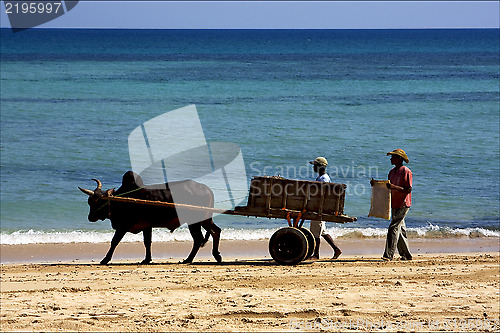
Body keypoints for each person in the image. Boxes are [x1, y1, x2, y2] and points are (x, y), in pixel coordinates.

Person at [376, 149, 413, 261]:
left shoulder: (406, 171)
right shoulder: (391, 172)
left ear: (399, 159)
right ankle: (406, 255)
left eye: (393, 157)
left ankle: (388, 255)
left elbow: (408, 189)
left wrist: (394, 187)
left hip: (403, 204)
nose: (391, 159)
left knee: (393, 227)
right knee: (400, 229)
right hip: (394, 203)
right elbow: (388, 186)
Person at [309, 157, 342, 260]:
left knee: (316, 232)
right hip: (320, 207)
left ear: (320, 167)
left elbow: (323, 194)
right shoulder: (321, 177)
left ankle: (316, 255)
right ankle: (336, 249)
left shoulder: (323, 178)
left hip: (320, 208)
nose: (313, 167)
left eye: (315, 165)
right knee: (322, 231)